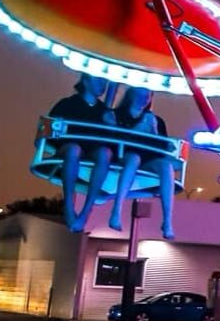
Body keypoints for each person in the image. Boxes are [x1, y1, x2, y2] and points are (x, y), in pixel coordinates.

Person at [47, 74, 116, 231]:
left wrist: (111, 126)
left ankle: (87, 210)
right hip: (69, 148)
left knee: (105, 153)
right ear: (85, 80)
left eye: (104, 80)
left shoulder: (104, 111)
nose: (102, 84)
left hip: (93, 151)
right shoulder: (67, 104)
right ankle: (69, 206)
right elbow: (48, 131)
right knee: (73, 149)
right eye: (98, 79)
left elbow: (112, 142)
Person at [104, 86, 176, 238]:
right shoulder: (117, 115)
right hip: (124, 155)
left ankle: (167, 221)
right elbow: (111, 140)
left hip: (148, 159)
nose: (144, 98)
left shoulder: (154, 119)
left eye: (148, 95)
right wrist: (136, 130)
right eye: (141, 94)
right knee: (133, 158)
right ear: (131, 94)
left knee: (166, 166)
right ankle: (116, 211)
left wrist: (155, 132)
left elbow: (161, 148)